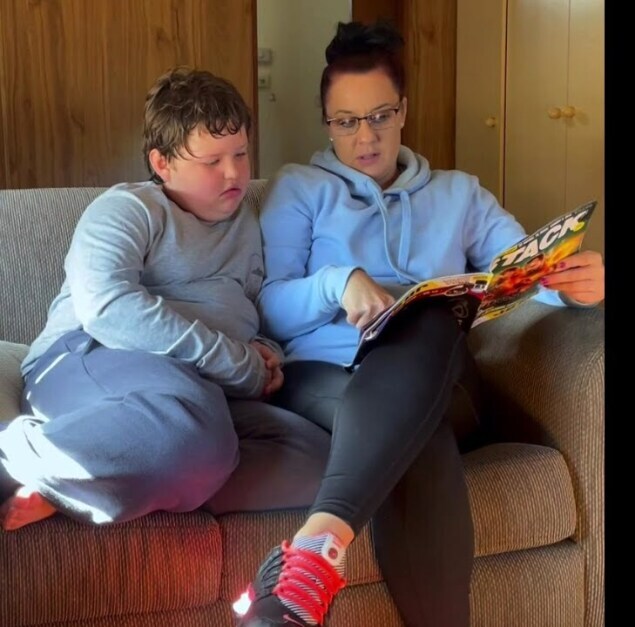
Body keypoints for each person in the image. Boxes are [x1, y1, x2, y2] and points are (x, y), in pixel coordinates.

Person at [235, 19, 604, 627]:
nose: (365, 137)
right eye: (346, 121)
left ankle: (315, 551)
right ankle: (320, 572)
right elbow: (270, 304)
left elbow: (522, 268)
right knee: (415, 436)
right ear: (326, 123)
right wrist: (338, 282)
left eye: (380, 115)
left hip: (444, 378)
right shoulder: (298, 189)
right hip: (327, 375)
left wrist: (573, 287)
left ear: (403, 110)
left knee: (430, 313)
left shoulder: (460, 195)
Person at [0, 68, 330, 533]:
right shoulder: (128, 209)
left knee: (321, 462)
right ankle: (22, 458)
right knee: (194, 430)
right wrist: (234, 361)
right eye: (212, 161)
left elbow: (257, 314)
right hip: (93, 356)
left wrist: (264, 353)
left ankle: (107, 479)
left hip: (201, 391)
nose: (234, 173)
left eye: (240, 153)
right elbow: (106, 308)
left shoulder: (249, 225)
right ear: (162, 163)